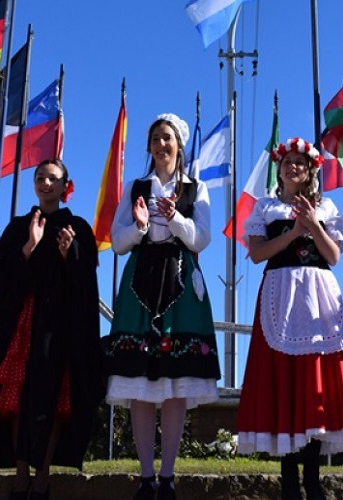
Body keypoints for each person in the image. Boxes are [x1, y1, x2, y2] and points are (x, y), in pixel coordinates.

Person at [236, 138, 343, 500]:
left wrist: (314, 224)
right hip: (280, 290)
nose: (293, 167)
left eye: (300, 162)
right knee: (284, 380)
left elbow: (334, 255)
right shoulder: (267, 206)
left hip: (318, 295)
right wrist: (294, 232)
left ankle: (312, 477)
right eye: (287, 162)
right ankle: (289, 478)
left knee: (315, 383)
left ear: (310, 170)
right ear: (279, 168)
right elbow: (257, 254)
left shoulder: (327, 206)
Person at [103, 113, 220, 500]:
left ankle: (167, 476)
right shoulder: (136, 187)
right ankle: (145, 475)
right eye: (155, 138)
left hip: (181, 280)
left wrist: (175, 219)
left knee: (173, 386)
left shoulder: (195, 189)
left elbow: (201, 239)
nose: (160, 144)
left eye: (167, 137)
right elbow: (117, 241)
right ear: (149, 147)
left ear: (179, 145)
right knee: (140, 385)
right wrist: (138, 227)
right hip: (140, 281)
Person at [0, 159, 103, 500]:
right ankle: (21, 472)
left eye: (53, 178)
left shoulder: (76, 225)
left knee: (51, 400)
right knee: (17, 398)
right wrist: (28, 249)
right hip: (21, 323)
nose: (45, 183)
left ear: (66, 185)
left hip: (58, 327)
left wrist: (70, 255)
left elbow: (85, 279)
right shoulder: (20, 226)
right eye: (40, 177)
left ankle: (42, 474)